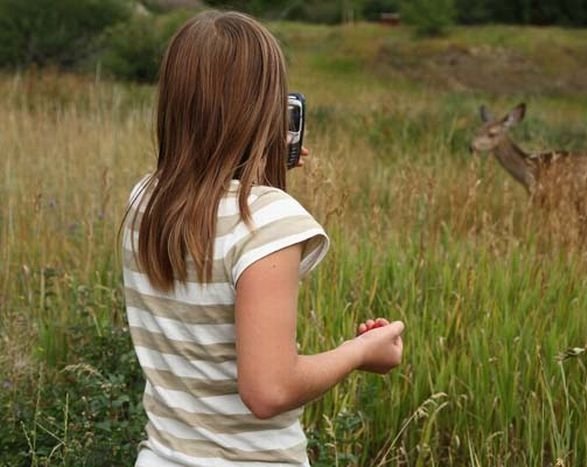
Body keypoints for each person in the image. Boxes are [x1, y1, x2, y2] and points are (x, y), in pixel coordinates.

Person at [121, 10, 405, 466]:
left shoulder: (145, 200)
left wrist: (258, 172)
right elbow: (268, 391)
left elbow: (212, 217)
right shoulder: (269, 221)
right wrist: (360, 352)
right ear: (264, 107)